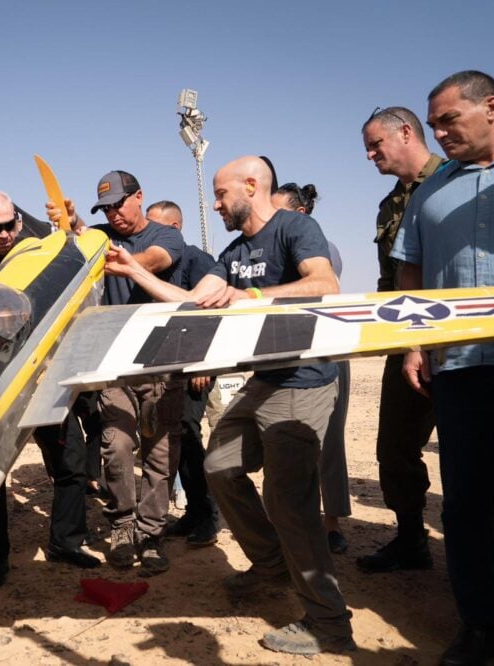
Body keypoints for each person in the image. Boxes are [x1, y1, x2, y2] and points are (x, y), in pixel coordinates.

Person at [106, 156, 353, 655]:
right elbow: (193, 301)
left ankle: (328, 622)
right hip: (264, 381)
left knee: (290, 502)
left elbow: (325, 285)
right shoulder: (235, 251)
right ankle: (271, 566)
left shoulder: (295, 227)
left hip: (303, 381)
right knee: (219, 465)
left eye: (220, 195)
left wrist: (254, 296)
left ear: (251, 185)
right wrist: (133, 268)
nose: (215, 204)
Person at [391, 70, 494, 665]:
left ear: (491, 107)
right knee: (465, 500)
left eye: (446, 120)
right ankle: (480, 624)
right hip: (460, 368)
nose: (436, 133)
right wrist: (415, 346)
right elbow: (410, 270)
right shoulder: (428, 195)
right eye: (432, 123)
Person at [0, 191, 99, 582]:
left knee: (71, 464)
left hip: (43, 378)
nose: (5, 234)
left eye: (11, 224)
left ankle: (66, 541)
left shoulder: (36, 251)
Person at [48, 171, 185, 576]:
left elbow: (151, 263)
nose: (113, 214)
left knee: (160, 454)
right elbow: (81, 235)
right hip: (115, 366)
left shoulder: (166, 236)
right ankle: (124, 525)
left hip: (163, 364)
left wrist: (105, 261)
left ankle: (152, 534)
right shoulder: (102, 235)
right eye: (106, 209)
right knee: (117, 446)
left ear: (139, 197)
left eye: (118, 204)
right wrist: (70, 222)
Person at [357, 105, 445, 574]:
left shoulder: (455, 180)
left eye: (376, 145)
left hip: (461, 338)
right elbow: (393, 277)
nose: (371, 155)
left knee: (483, 450)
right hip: (405, 343)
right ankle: (411, 540)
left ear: (406, 132)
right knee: (395, 447)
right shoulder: (390, 204)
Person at [271, 182, 352, 555]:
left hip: (325, 351)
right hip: (286, 352)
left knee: (328, 442)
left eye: (278, 212)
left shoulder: (322, 249)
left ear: (299, 215)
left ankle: (331, 523)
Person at [145, 200, 220, 547]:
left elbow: (213, 313)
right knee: (172, 436)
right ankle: (191, 514)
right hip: (166, 368)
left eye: (155, 228)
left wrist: (202, 363)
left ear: (173, 229)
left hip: (196, 368)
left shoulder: (197, 261)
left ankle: (207, 514)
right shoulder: (154, 266)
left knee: (188, 433)